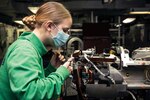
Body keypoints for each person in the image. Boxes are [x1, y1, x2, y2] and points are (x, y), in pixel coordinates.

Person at [0, 1, 74, 100]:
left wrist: (51, 69)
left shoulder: (31, 48)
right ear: (49, 26)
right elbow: (30, 94)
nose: (66, 35)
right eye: (64, 30)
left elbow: (36, 82)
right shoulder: (24, 50)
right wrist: (60, 74)